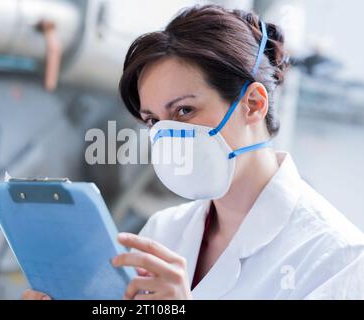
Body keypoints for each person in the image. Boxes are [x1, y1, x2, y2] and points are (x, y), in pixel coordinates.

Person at [23, 4, 364, 300]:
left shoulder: (337, 256)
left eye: (185, 111)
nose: (169, 135)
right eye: (154, 120)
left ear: (254, 104)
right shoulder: (163, 231)